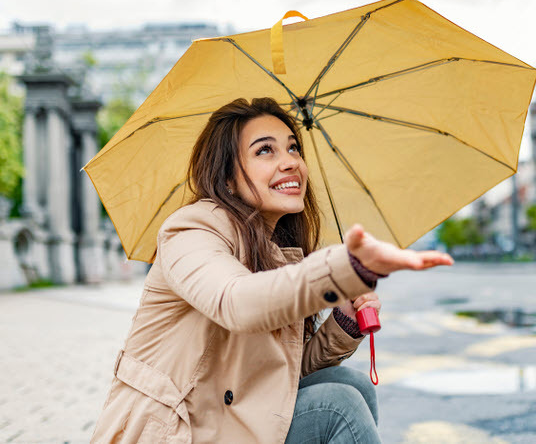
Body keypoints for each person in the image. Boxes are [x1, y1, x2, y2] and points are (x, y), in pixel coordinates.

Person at [91, 98, 453, 443]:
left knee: (347, 383)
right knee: (337, 408)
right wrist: (341, 271)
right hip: (178, 432)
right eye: (265, 150)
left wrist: (343, 322)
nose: (291, 162)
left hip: (224, 421)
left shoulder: (274, 251)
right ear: (227, 177)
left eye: (293, 148)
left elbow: (277, 376)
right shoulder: (190, 231)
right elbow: (236, 302)